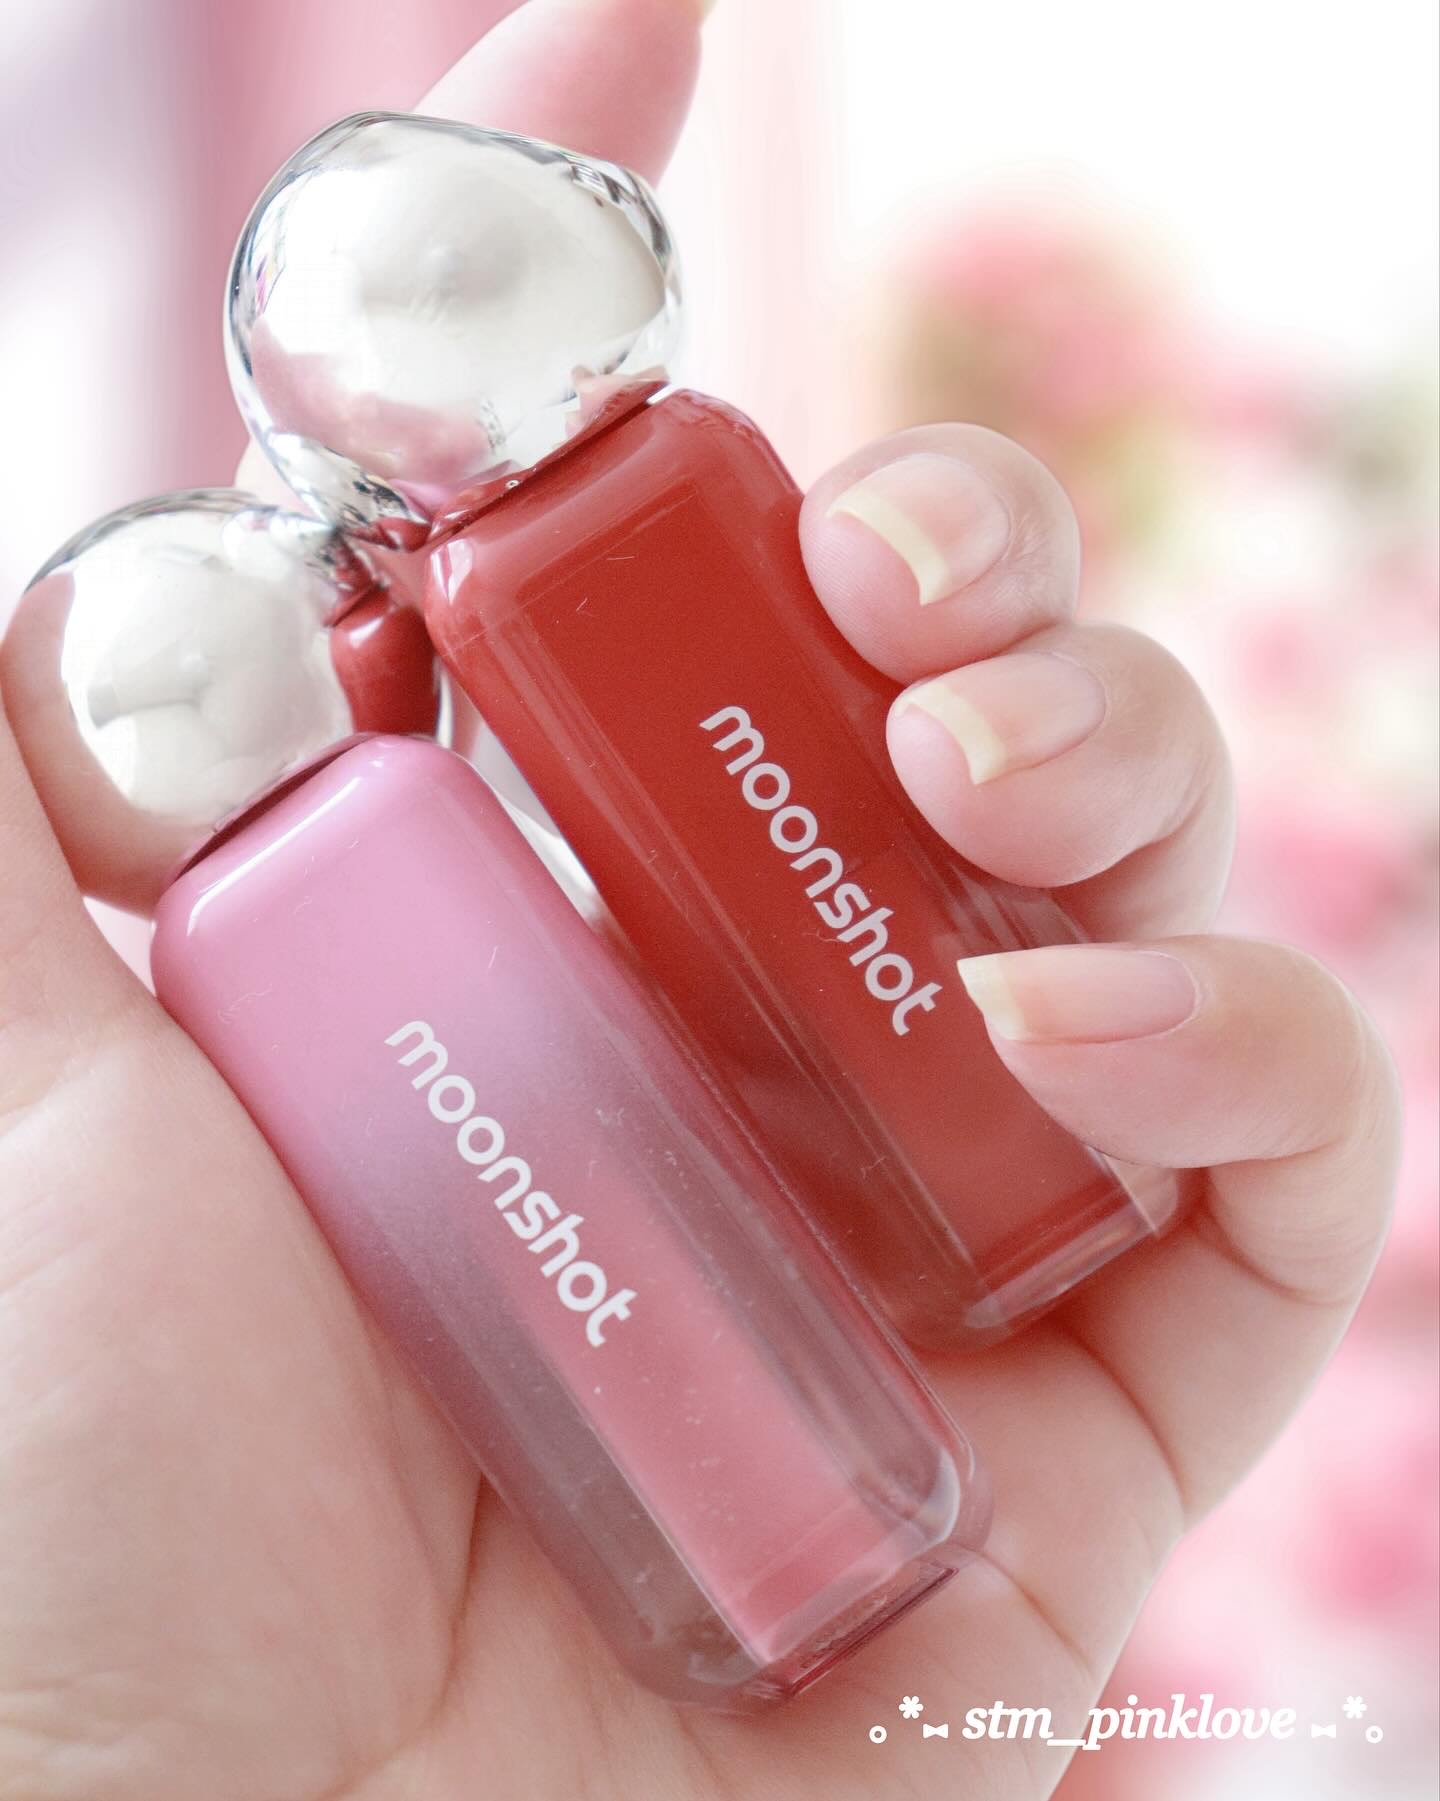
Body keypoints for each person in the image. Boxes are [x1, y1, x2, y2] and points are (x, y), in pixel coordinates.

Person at [0, 2, 1400, 1795]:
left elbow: (789, 863)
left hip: (838, 1481)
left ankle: (987, 1200)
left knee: (920, 837)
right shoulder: (343, 838)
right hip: (622, 1618)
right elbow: (516, 1163)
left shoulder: (533, 567)